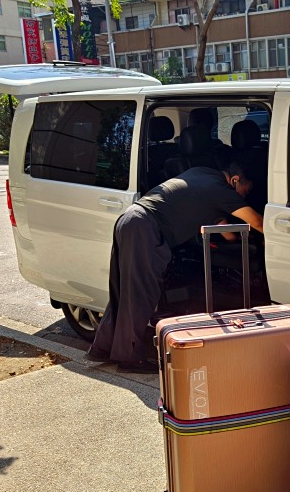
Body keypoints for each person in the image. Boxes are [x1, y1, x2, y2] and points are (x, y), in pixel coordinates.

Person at [85, 155, 263, 373]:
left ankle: (104, 348)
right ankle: (130, 359)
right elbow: (256, 222)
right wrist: (273, 237)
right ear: (235, 179)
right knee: (142, 292)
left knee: (124, 290)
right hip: (146, 228)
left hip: (131, 219)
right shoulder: (221, 191)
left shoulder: (203, 173)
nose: (244, 196)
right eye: (245, 190)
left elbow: (228, 234)